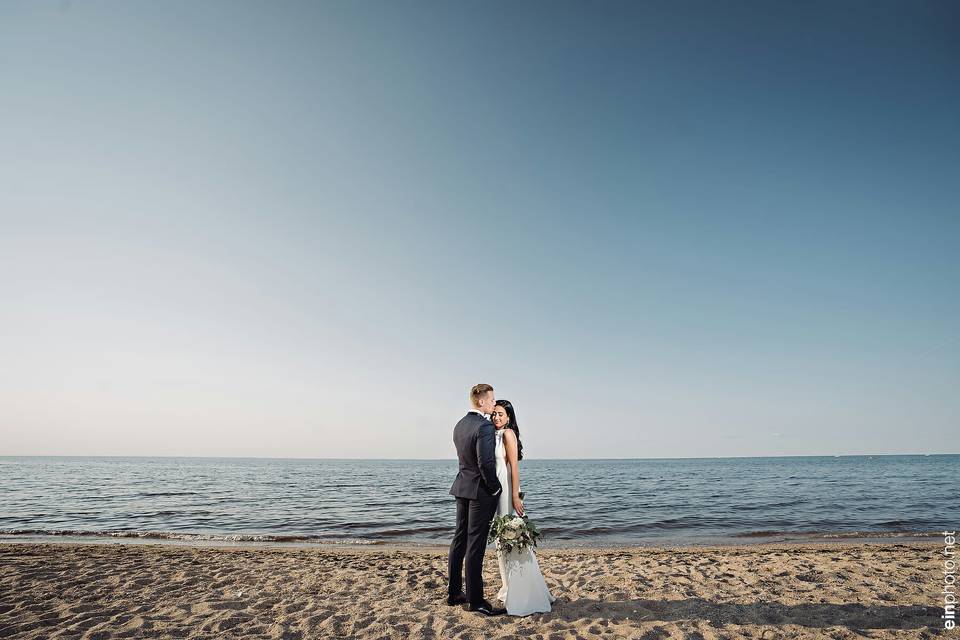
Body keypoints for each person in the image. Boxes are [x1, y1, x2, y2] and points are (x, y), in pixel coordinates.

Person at [446, 383, 507, 616]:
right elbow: (485, 463)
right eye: (491, 400)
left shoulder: (460, 425)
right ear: (481, 401)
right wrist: (495, 488)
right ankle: (476, 601)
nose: (494, 403)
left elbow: (466, 460)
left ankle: (454, 593)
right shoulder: (484, 426)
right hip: (480, 491)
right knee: (476, 544)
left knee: (459, 539)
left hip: (462, 486)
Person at [491, 399, 555, 616]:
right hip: (496, 489)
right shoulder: (493, 434)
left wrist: (516, 496)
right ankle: (509, 586)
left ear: (509, 417)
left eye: (500, 414)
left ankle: (520, 590)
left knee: (510, 536)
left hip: (507, 489)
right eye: (494, 414)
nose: (496, 418)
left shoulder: (508, 434)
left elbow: (514, 468)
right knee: (502, 538)